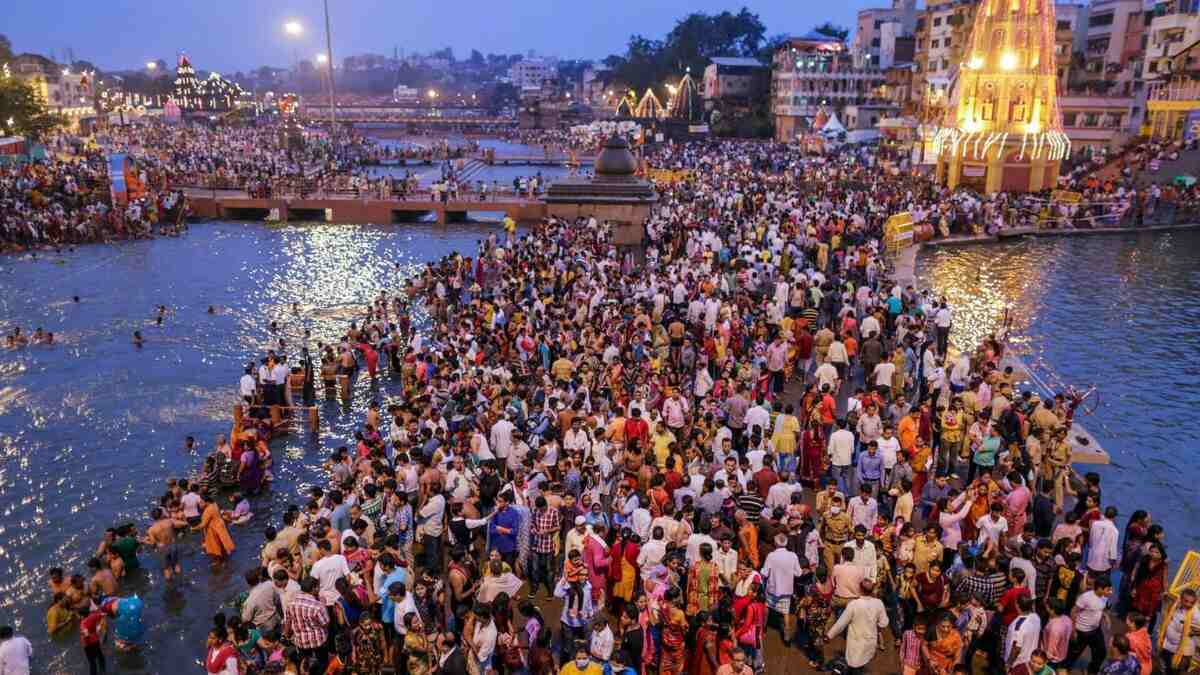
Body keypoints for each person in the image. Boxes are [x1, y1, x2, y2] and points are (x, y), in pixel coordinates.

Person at [825, 579, 889, 674]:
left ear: (860, 589)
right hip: (870, 641)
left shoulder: (854, 605)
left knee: (854, 666)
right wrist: (876, 627)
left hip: (856, 644)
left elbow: (841, 624)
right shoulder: (878, 603)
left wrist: (829, 635)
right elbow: (884, 623)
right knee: (862, 663)